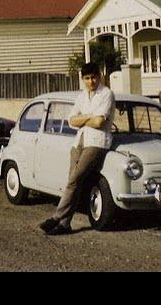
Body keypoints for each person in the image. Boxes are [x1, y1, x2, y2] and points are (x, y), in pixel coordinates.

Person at [39, 62, 116, 235]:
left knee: (75, 179)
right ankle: (65, 224)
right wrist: (89, 116)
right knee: (73, 182)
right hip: (79, 142)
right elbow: (71, 121)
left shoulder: (106, 94)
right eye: (87, 78)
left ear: (100, 76)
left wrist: (83, 118)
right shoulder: (82, 96)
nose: (91, 81)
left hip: (97, 143)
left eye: (94, 77)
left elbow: (99, 122)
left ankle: (57, 217)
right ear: (83, 80)